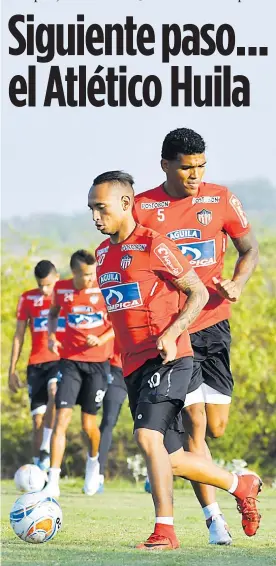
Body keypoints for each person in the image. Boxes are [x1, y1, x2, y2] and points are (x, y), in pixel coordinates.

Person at [88, 170, 262, 551]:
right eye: (91, 210)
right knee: (175, 459)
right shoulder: (102, 255)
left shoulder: (155, 244)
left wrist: (171, 332)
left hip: (168, 357)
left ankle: (164, 531)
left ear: (125, 203)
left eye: (101, 208)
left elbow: (197, 292)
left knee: (148, 437)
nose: (96, 217)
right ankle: (240, 484)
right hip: (133, 366)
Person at [133, 127, 259, 545]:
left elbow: (249, 249)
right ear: (166, 164)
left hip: (216, 326)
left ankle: (229, 480)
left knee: (216, 426)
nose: (195, 174)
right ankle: (214, 520)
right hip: (176, 331)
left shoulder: (220, 198)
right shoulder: (145, 207)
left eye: (201, 166)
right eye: (187, 167)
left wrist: (238, 283)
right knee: (195, 425)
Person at [45, 250, 114, 497]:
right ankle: (52, 480)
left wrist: (102, 338)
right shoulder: (61, 289)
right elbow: (52, 314)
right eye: (85, 275)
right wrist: (51, 336)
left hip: (97, 364)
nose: (90, 279)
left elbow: (118, 322)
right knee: (61, 419)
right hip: (70, 362)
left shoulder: (103, 289)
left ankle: (93, 464)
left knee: (88, 425)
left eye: (92, 274)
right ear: (74, 272)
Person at [8, 260, 63, 471]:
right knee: (38, 420)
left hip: (59, 360)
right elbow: (19, 335)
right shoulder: (28, 298)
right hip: (36, 364)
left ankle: (48, 447)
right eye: (41, 285)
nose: (45, 290)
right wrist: (12, 370)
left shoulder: (66, 296)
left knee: (54, 391)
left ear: (57, 277)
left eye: (48, 285)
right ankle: (39, 466)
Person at [97, 341, 127, 492]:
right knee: (108, 421)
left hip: (145, 367)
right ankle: (98, 475)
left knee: (150, 425)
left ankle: (152, 477)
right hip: (116, 368)